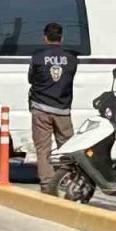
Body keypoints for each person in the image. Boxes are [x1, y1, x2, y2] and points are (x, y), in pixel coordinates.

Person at [30, 22, 78, 191]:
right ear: (62, 37)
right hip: (63, 110)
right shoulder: (72, 59)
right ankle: (66, 180)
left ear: (45, 38)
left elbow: (32, 79)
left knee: (43, 149)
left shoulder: (37, 57)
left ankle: (47, 184)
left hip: (41, 108)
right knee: (67, 148)